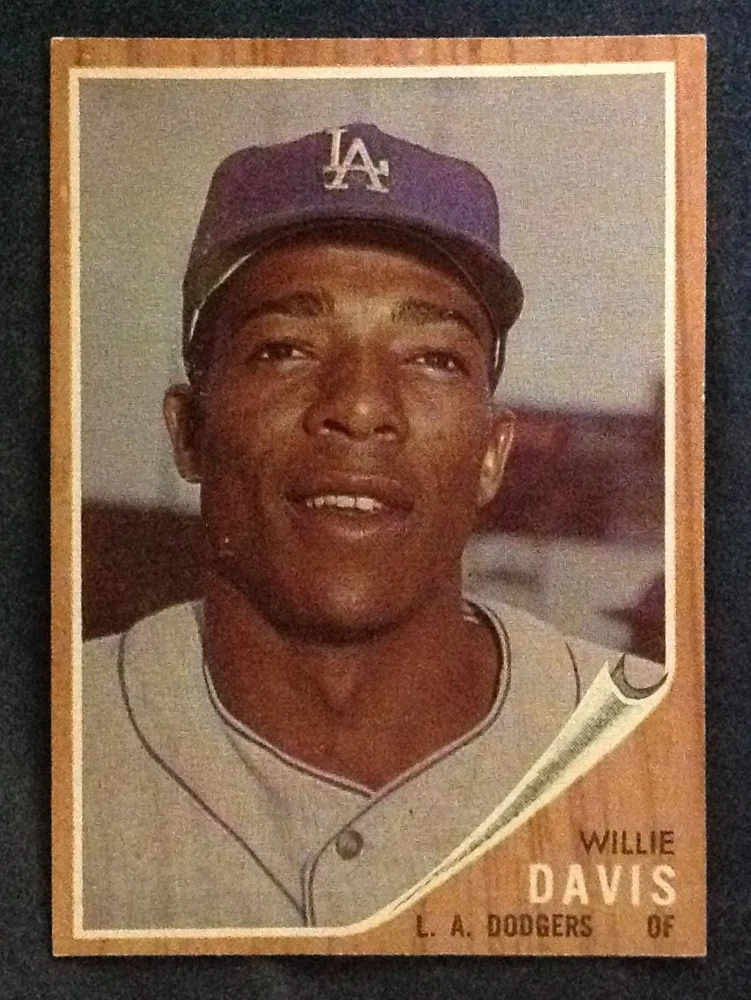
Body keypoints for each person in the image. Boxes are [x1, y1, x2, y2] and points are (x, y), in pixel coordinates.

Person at [82, 123, 668, 931]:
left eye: (431, 357)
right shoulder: (53, 734)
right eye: (285, 348)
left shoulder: (657, 740)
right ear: (189, 432)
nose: (359, 407)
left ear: (492, 454)